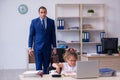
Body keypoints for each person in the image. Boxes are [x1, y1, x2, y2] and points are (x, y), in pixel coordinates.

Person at [28, 6, 57, 74]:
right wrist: (30, 47)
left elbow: (53, 35)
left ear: (46, 12)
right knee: (38, 66)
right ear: (39, 13)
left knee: (46, 66)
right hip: (37, 48)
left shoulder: (51, 22)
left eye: (44, 12)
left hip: (47, 48)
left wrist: (54, 47)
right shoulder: (34, 22)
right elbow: (31, 35)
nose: (43, 14)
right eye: (41, 12)